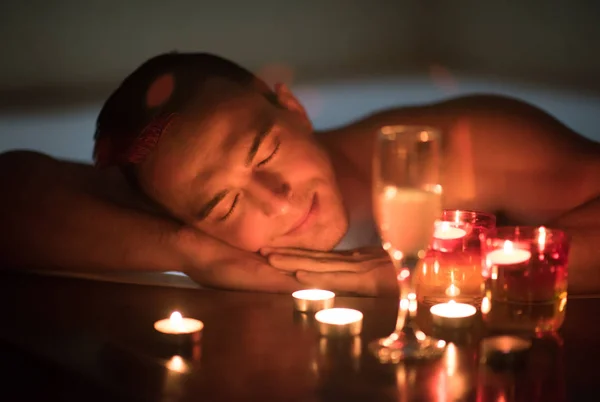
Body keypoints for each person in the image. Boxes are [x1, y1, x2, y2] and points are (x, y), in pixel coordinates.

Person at [1, 52, 599, 296]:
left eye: (263, 154)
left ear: (293, 107)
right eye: (225, 207)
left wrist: (454, 267)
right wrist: (191, 252)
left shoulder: (452, 150)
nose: (277, 200)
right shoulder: (176, 211)